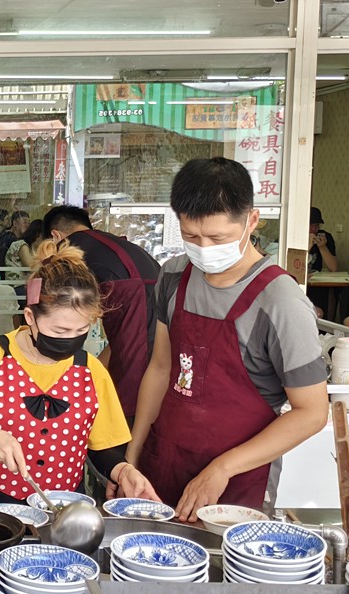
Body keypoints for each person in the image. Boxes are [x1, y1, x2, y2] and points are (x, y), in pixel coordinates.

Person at [126, 158, 328, 521]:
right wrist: (133, 456)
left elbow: (312, 412)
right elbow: (160, 368)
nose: (203, 248)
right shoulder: (173, 277)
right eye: (191, 236)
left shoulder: (280, 301)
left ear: (251, 220)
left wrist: (222, 468)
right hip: (165, 462)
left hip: (237, 484)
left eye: (217, 238)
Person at [0, 240, 160, 506]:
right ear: (30, 317)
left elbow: (103, 447)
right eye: (59, 331)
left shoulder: (92, 371)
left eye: (80, 331)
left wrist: (123, 470)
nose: (70, 339)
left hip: (63, 509)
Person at [45, 205, 160, 420]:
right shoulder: (112, 244)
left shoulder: (72, 249)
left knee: (130, 396)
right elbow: (119, 340)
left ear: (55, 236)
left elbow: (54, 311)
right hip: (157, 314)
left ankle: (127, 450)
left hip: (139, 313)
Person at [307, 206, 338, 316]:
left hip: (317, 284)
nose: (314, 230)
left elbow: (333, 267)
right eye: (312, 226)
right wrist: (307, 248)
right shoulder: (292, 236)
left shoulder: (324, 236)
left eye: (317, 226)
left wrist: (322, 247)